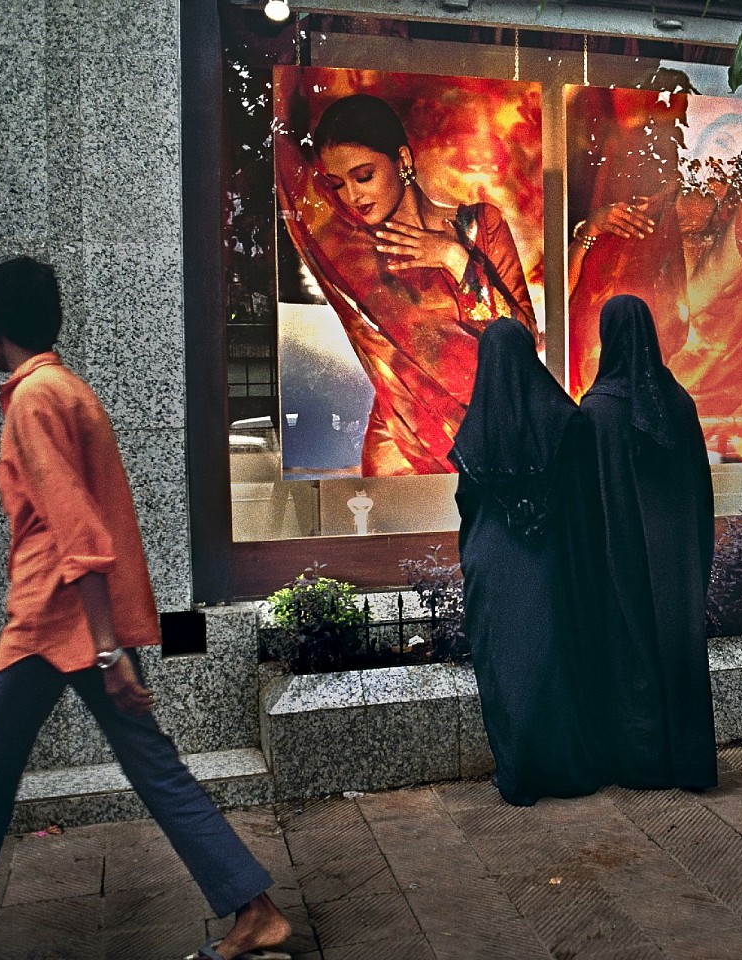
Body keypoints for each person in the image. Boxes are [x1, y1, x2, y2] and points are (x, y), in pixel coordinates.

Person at [0, 258, 291, 960]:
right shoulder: (62, 387)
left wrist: (108, 653)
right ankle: (255, 910)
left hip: (51, 621)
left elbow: (79, 533)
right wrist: (107, 650)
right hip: (76, 619)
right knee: (152, 769)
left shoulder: (35, 399)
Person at [274, 92, 538, 476]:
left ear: (403, 161)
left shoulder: (481, 227)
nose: (352, 196)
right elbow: (286, 172)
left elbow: (524, 339)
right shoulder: (347, 250)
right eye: (337, 185)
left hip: (493, 440)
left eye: (364, 176)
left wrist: (455, 259)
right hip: (399, 450)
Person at [451, 318, 608, 805]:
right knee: (552, 659)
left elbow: (467, 500)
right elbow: (582, 497)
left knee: (505, 667)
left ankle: (518, 772)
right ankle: (566, 768)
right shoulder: (563, 417)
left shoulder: (477, 425)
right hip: (549, 561)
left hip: (493, 561)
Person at [581, 294, 717, 791]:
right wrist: (696, 553)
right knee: (677, 649)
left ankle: (641, 761)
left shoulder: (597, 412)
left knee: (629, 645)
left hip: (622, 557)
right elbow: (701, 490)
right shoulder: (678, 403)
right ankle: (688, 760)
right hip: (677, 559)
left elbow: (589, 501)